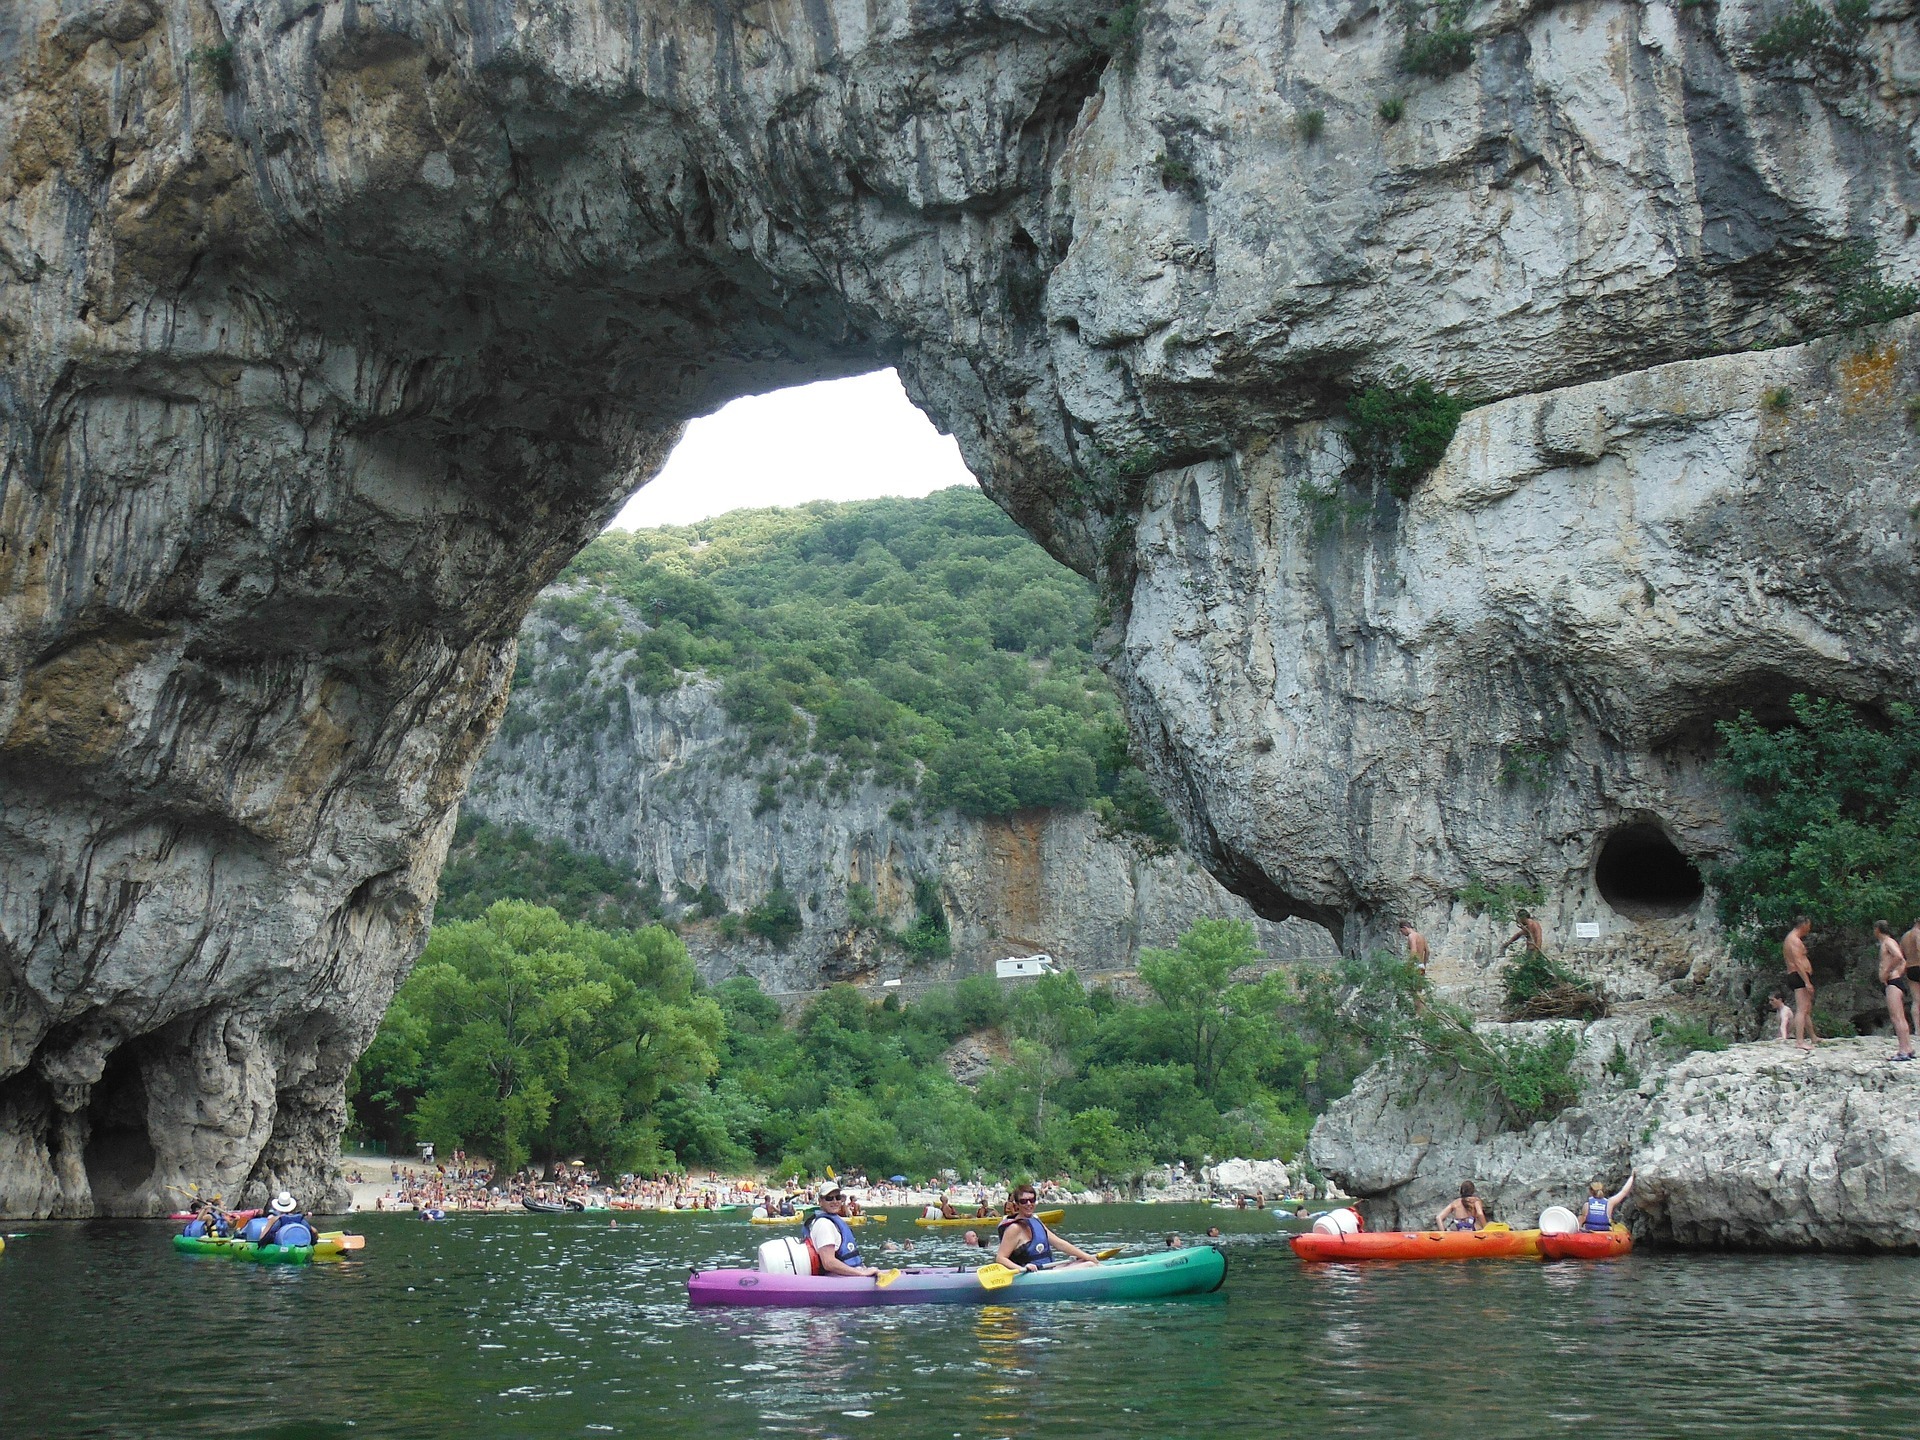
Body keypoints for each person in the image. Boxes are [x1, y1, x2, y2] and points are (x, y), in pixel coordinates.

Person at [995, 1185, 1100, 1272]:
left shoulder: (1036, 1220)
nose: (1028, 1204)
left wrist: (1086, 1256)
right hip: (1030, 1274)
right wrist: (1022, 1268)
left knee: (1085, 1262)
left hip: (1047, 1269)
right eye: (1023, 1201)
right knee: (1090, 1265)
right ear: (1017, 1204)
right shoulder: (1014, 1228)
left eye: (1031, 1200)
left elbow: (1059, 1243)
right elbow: (1000, 1258)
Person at [806, 1186, 880, 1279]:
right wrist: (862, 1273)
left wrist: (863, 1269)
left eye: (838, 1197)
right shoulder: (824, 1225)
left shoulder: (831, 1221)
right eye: (829, 1198)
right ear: (820, 1201)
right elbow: (828, 1263)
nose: (835, 1201)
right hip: (837, 1279)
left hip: (847, 1275)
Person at [1874, 922, 1915, 1061]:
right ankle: (1907, 1048)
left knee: (1896, 1017)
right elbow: (1903, 962)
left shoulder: (1888, 942)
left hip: (1893, 982)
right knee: (1899, 1016)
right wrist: (1898, 971)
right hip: (1893, 981)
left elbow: (1899, 957)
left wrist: (1888, 971)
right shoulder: (1889, 942)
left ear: (1877, 930)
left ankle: (1903, 1049)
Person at [1783, 916, 1817, 1052]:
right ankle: (1799, 1041)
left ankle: (1813, 1037)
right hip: (1798, 975)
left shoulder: (1792, 939)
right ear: (1803, 925)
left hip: (1799, 975)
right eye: (1808, 925)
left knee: (1806, 1008)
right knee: (1802, 1009)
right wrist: (1807, 982)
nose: (1809, 929)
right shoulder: (1794, 941)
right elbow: (1797, 962)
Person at [1903, 917, 1920, 1042]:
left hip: (1910, 968)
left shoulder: (1905, 936)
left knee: (1916, 999)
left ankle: (1917, 1030)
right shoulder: (1918, 934)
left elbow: (1901, 953)